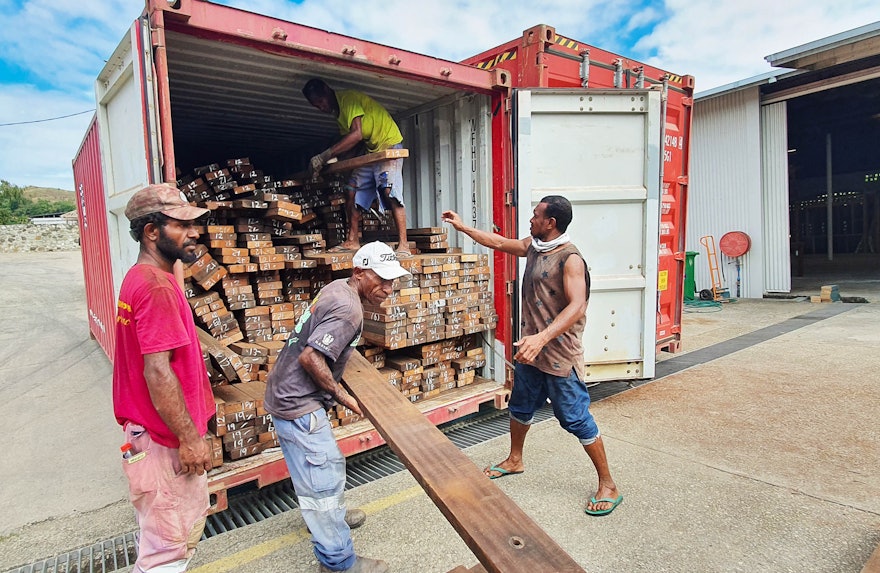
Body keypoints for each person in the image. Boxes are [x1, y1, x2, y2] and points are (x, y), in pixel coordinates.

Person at [442, 196, 623, 517]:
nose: (530, 220)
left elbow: (577, 305)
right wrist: (462, 227)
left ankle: (608, 483)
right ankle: (515, 459)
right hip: (531, 351)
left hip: (558, 354)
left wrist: (542, 337)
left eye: (536, 216)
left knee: (575, 418)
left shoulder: (570, 259)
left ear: (551, 222)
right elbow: (498, 242)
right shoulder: (534, 247)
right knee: (521, 406)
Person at [265, 241, 411, 572]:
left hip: (285, 394)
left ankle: (326, 519)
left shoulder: (337, 288)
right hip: (299, 405)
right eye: (382, 280)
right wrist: (342, 396)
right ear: (359, 272)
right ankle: (337, 561)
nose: (388, 289)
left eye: (392, 281)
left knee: (313, 472)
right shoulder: (350, 309)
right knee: (324, 479)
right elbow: (311, 356)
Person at [113, 183, 214, 572]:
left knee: (158, 537)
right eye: (182, 226)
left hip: (147, 435)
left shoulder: (140, 277)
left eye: (194, 225)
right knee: (169, 551)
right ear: (152, 232)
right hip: (163, 441)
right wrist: (189, 439)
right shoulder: (156, 288)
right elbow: (158, 371)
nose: (194, 234)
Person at [302, 78, 411, 258]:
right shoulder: (340, 116)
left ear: (328, 91)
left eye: (321, 102)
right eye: (316, 105)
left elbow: (357, 134)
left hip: (389, 145)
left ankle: (404, 245)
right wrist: (330, 163)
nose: (320, 107)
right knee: (350, 189)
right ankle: (352, 240)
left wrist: (325, 155)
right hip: (371, 152)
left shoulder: (348, 99)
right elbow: (350, 147)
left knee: (389, 191)